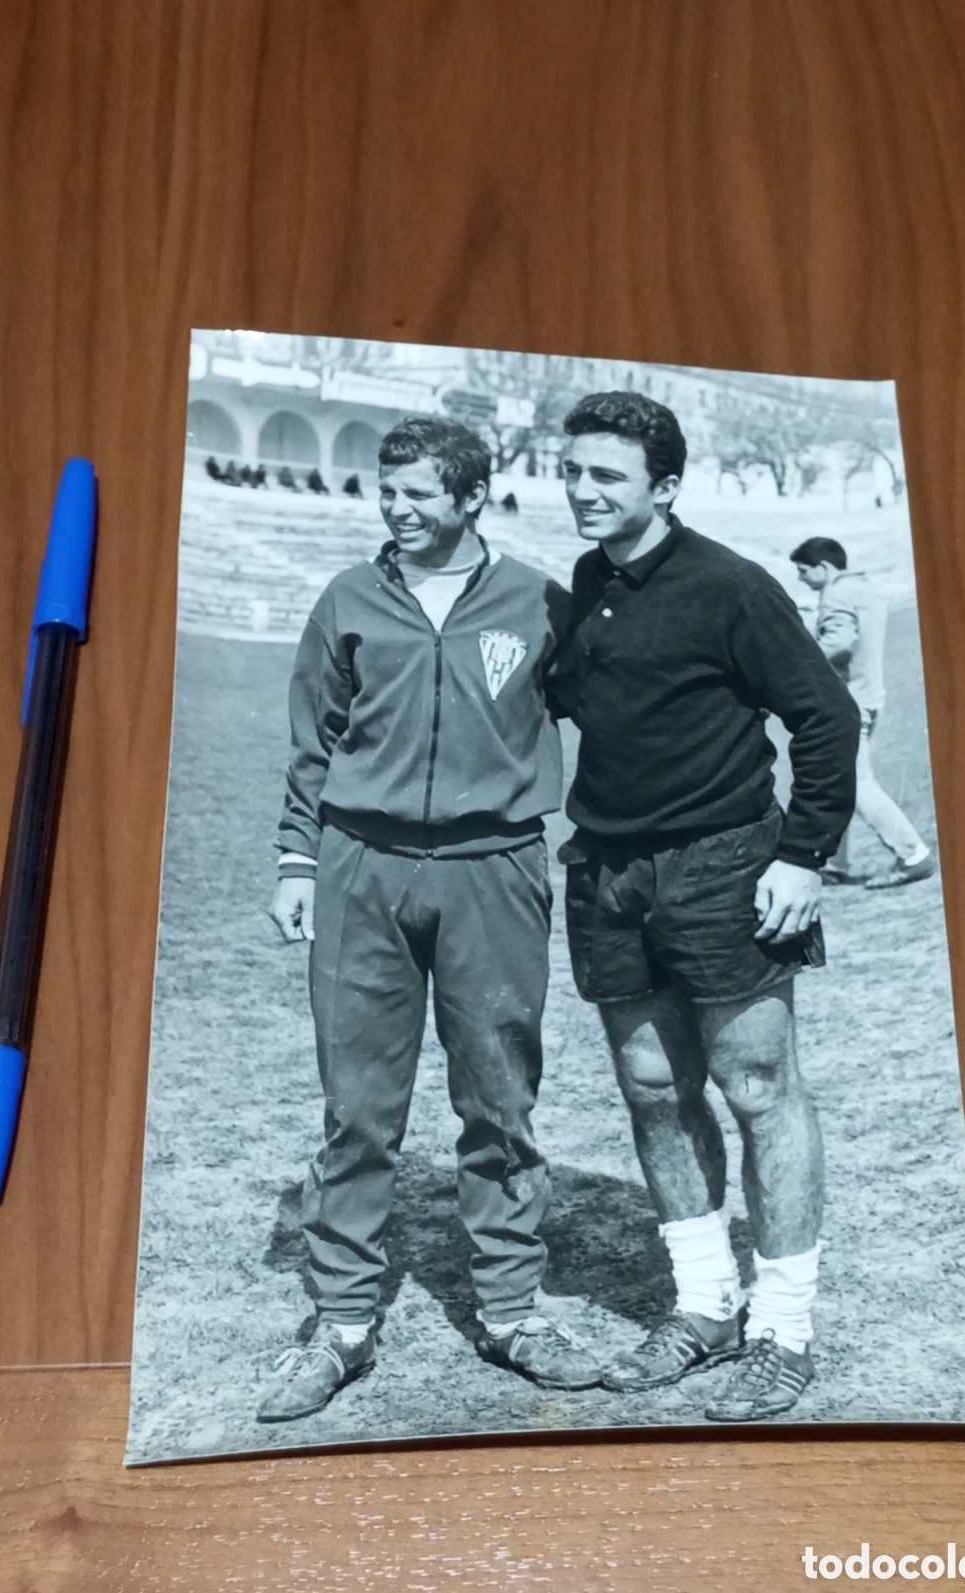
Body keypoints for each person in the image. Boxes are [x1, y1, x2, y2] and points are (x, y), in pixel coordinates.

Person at [257, 414, 601, 1424]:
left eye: (419, 494)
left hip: (495, 868)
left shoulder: (539, 600)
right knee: (358, 1107)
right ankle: (342, 1325)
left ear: (471, 496)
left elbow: (610, 716)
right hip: (358, 867)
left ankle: (511, 1311)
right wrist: (296, 862)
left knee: (499, 1097)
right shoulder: (348, 598)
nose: (398, 509)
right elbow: (313, 741)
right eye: (388, 491)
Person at [548, 392, 860, 1422]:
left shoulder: (732, 585)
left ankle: (784, 1328)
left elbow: (826, 717)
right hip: (609, 869)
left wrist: (803, 855)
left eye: (609, 476)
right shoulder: (590, 581)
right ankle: (706, 1307)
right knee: (651, 1087)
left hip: (725, 864)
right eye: (573, 471)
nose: (584, 490)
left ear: (667, 486)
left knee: (759, 1087)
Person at [790, 537, 935, 889]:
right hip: (871, 695)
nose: (800, 579)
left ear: (824, 567)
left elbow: (839, 642)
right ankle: (834, 863)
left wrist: (795, 661)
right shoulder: (865, 588)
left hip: (849, 702)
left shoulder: (836, 595)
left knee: (856, 782)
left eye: (804, 571)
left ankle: (913, 855)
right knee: (839, 778)